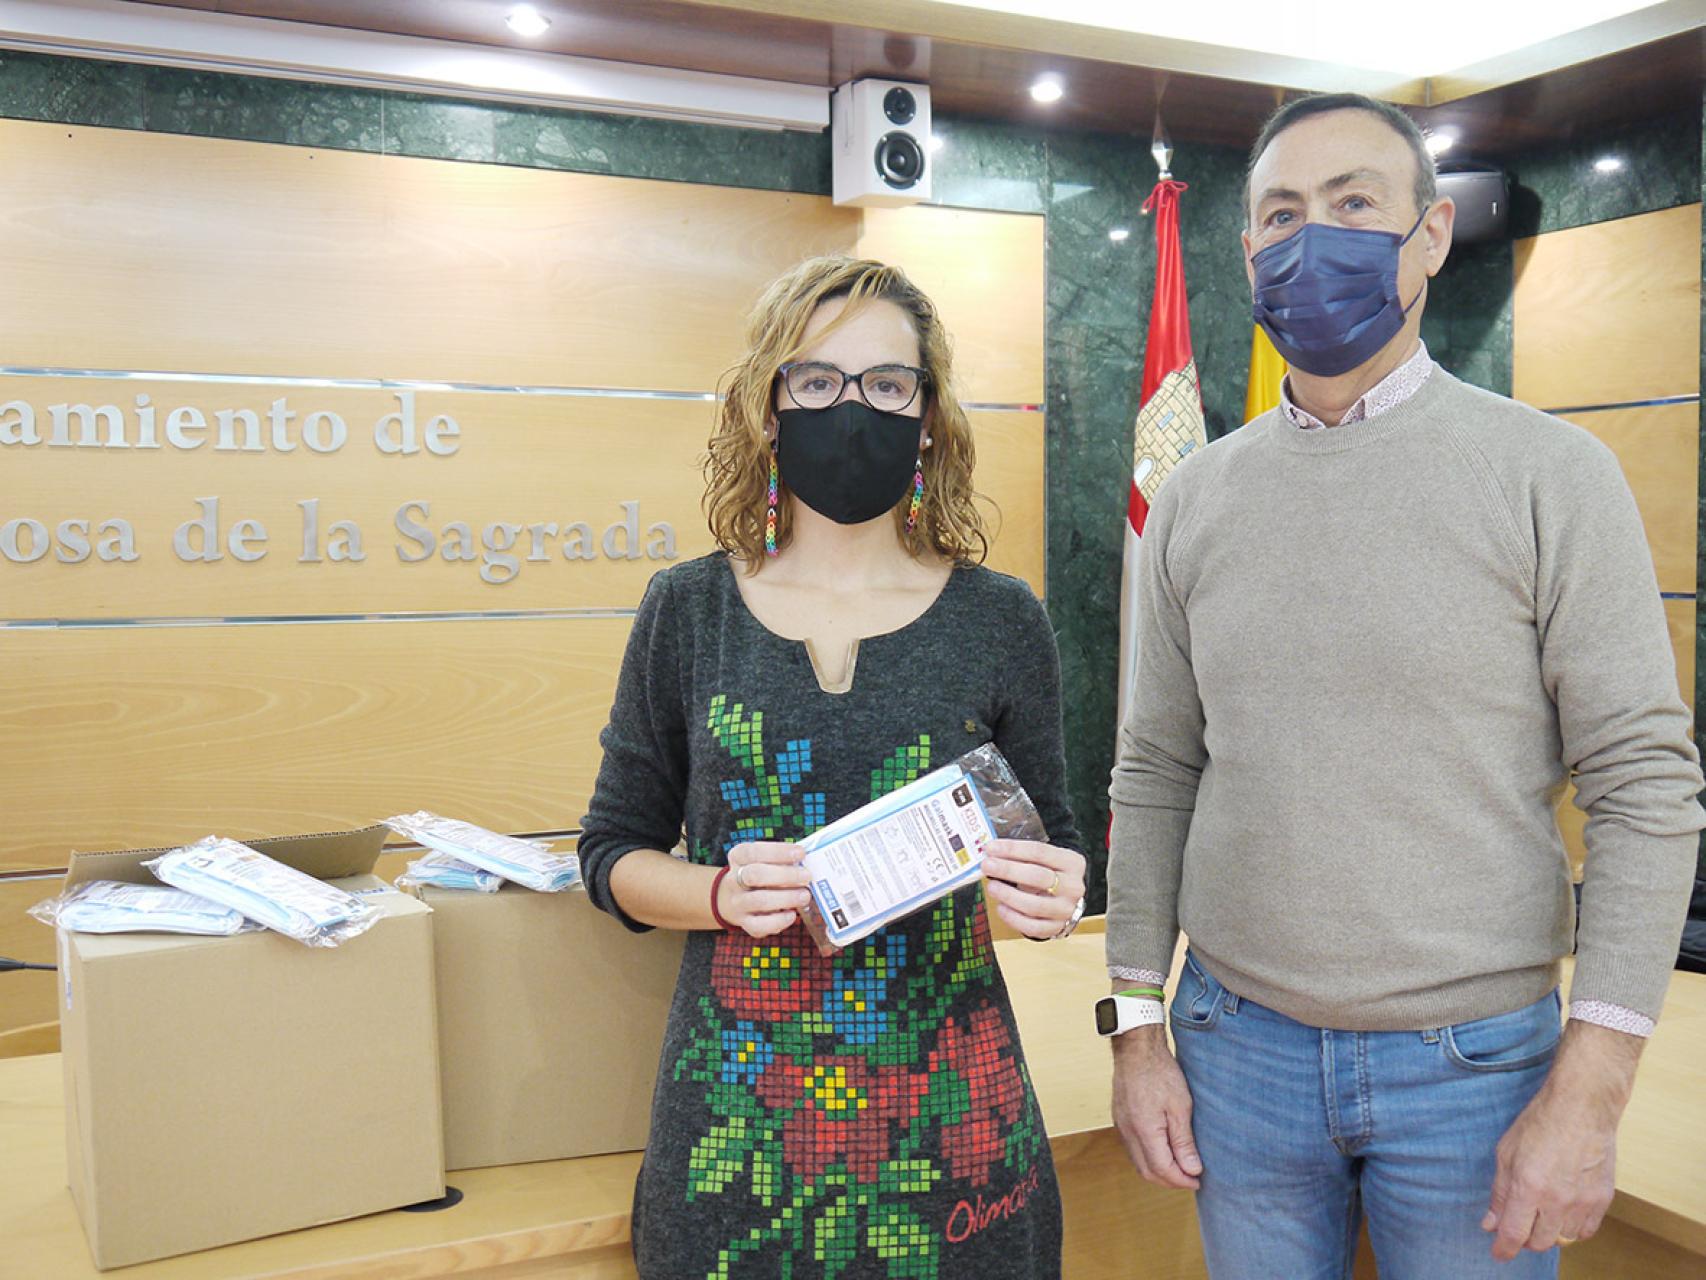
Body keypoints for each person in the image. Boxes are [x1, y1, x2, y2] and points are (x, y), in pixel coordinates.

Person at [1104, 92, 1705, 1280]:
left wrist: (1590, 1088)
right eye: (1282, 215)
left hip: (1476, 1070)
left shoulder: (1550, 477)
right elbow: (1156, 767)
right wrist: (1132, 1025)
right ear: (1247, 252)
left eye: (1352, 204)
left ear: (1428, 236)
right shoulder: (1193, 499)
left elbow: (1642, 785)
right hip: (1234, 1051)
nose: (1311, 238)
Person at [578, 255, 1088, 1280]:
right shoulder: (688, 610)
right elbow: (611, 853)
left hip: (953, 1139)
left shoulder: (1000, 620)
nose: (850, 408)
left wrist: (1057, 894)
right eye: (816, 379)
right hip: (737, 1137)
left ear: (928, 416)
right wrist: (719, 893)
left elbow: (1055, 850)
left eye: (886, 383)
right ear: (769, 407)